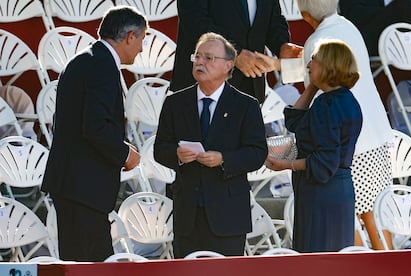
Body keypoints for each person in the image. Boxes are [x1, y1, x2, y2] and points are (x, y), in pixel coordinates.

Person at [257, 0, 394, 250]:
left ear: (304, 11)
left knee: (350, 222)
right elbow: (315, 74)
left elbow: (313, 81)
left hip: (349, 150)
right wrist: (283, 67)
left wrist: (277, 66)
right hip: (376, 136)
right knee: (374, 217)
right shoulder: (347, 26)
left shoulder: (319, 42)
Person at [41, 6, 147, 262]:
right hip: (83, 188)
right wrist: (125, 154)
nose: (142, 49)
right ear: (130, 36)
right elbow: (95, 126)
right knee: (88, 265)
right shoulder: (102, 64)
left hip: (76, 185)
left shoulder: (84, 60)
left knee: (89, 262)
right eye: (142, 40)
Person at [154, 32, 268, 258]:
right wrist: (177, 154)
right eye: (197, 57)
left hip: (228, 216)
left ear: (228, 65)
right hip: (187, 215)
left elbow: (257, 153)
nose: (200, 62)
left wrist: (223, 159)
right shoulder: (175, 102)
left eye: (208, 58)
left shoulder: (245, 105)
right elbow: (160, 149)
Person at [266, 39, 363, 252]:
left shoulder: (326, 105)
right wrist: (312, 86)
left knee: (316, 258)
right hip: (340, 191)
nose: (308, 65)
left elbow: (324, 162)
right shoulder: (347, 99)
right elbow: (294, 121)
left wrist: (286, 165)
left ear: (329, 65)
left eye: (314, 60)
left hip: (321, 193)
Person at [169, 0, 301, 104]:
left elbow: (273, 19)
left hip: (250, 89)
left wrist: (282, 45)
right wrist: (234, 53)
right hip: (201, 89)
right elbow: (194, 19)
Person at [339, 0, 411, 56]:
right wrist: (388, 12)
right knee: (404, 5)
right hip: (365, 38)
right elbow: (353, 15)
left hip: (400, 39)